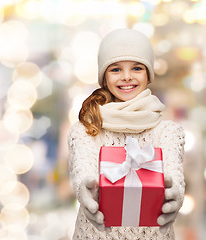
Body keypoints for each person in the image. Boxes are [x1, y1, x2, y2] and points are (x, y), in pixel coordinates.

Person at [68, 28, 185, 240]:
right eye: (116, 70)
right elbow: (82, 170)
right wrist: (85, 189)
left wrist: (175, 194)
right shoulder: (85, 130)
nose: (127, 77)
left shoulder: (168, 131)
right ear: (103, 77)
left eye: (137, 68)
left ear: (149, 74)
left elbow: (173, 175)